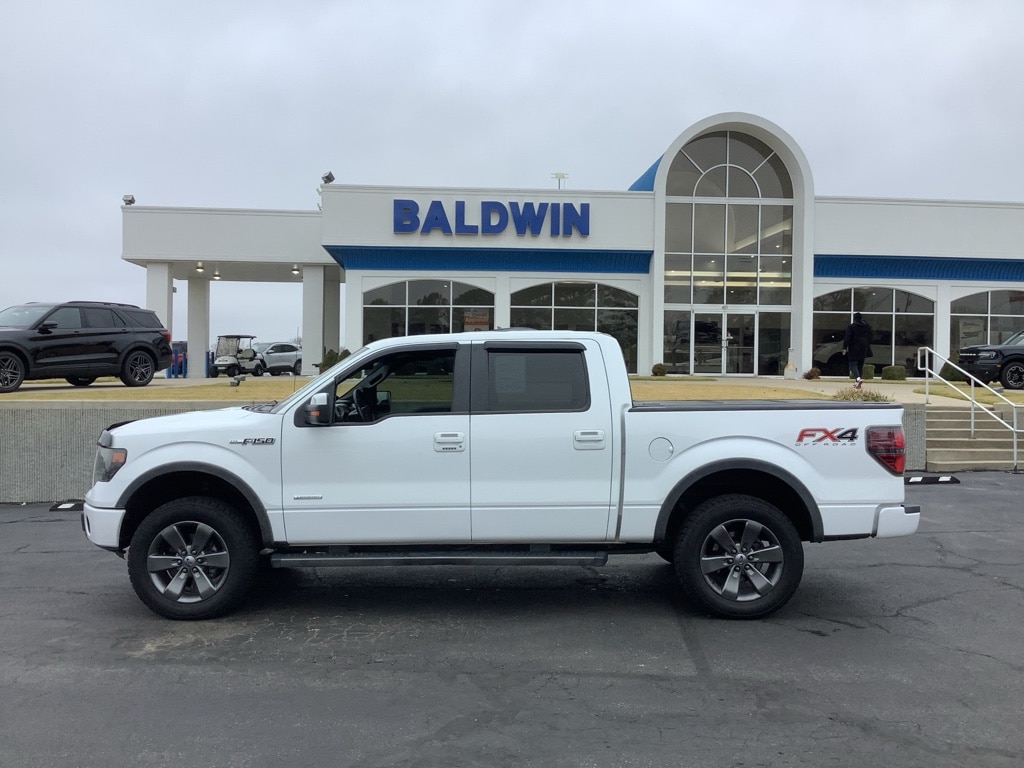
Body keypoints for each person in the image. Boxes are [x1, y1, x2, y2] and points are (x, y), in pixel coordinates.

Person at [843, 312, 872, 389]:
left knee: (852, 365)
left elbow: (847, 338)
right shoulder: (866, 326)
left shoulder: (851, 327)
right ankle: (857, 383)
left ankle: (858, 379)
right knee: (860, 366)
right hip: (864, 348)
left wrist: (844, 347)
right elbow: (870, 336)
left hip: (854, 348)